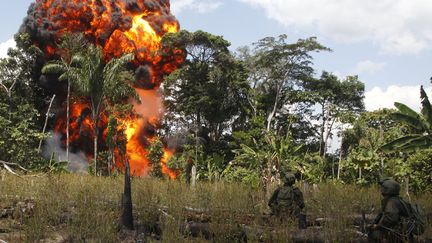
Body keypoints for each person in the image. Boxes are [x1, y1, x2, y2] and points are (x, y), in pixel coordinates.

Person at [368, 178, 412, 243]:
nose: (381, 190)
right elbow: (383, 215)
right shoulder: (398, 200)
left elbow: (391, 219)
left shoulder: (392, 202)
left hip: (397, 234)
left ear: (386, 190)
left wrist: (377, 226)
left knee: (374, 234)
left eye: (382, 188)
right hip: (403, 233)